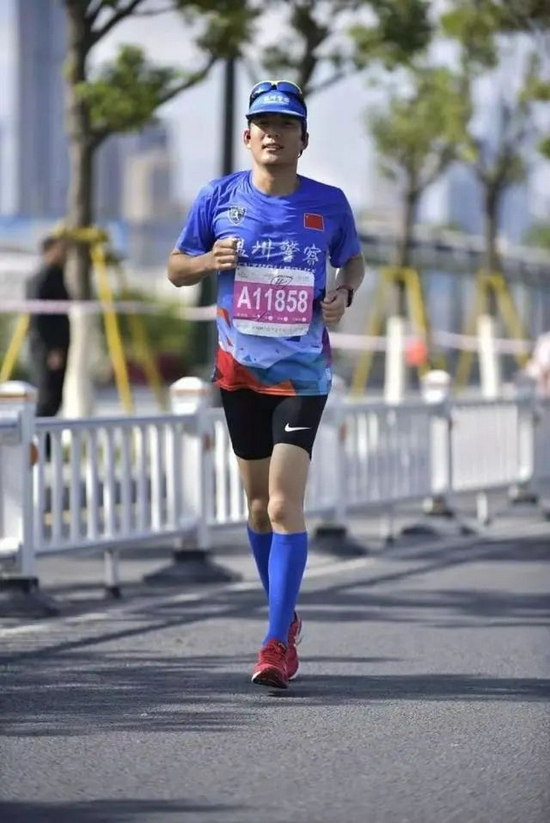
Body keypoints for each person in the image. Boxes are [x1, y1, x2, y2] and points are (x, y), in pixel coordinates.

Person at [168, 80, 365, 688]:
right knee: (256, 507)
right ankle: (286, 613)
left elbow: (352, 259)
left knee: (282, 504)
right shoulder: (218, 197)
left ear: (303, 140)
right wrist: (208, 262)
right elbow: (176, 268)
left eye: (286, 125)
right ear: (247, 135)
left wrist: (344, 292)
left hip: (304, 374)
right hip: (239, 373)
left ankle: (276, 643)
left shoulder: (329, 203)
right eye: (264, 124)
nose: (274, 134)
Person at [26, 236, 70, 442]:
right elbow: (39, 319)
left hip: (58, 347)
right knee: (46, 399)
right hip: (48, 350)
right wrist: (52, 349)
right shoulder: (42, 278)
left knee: (54, 400)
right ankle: (38, 447)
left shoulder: (58, 275)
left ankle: (47, 448)